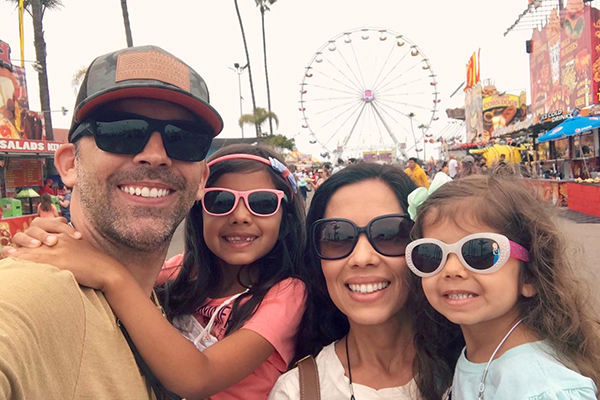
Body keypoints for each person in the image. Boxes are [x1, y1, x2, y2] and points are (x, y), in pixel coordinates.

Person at [0, 45, 223, 399]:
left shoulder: (150, 298)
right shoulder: (35, 293)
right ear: (70, 165)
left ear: (201, 180)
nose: (155, 156)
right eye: (121, 131)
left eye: (184, 139)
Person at [6, 144, 309, 400]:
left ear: (285, 218)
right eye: (221, 202)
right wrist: (55, 239)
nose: (241, 216)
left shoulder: (286, 294)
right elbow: (95, 261)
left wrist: (112, 276)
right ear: (199, 210)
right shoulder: (183, 271)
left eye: (262, 203)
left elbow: (198, 378)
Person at [269, 163, 463, 400]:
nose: (362, 258)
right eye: (336, 236)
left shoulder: (480, 370)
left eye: (389, 234)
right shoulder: (295, 392)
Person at [405, 175, 600, 399]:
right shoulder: (477, 354)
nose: (451, 269)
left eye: (480, 252)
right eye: (431, 254)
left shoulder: (541, 387)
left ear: (530, 276)